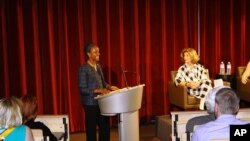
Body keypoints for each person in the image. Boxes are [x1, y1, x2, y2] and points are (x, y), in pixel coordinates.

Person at [78, 42, 119, 141]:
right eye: (95, 52)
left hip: (102, 103)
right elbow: (82, 89)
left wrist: (109, 87)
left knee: (105, 128)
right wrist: (98, 90)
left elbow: (102, 82)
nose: (98, 53)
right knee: (91, 130)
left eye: (99, 51)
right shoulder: (83, 69)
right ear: (88, 54)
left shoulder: (98, 66)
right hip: (90, 104)